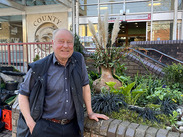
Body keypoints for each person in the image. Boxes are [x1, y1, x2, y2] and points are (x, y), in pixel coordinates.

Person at [17, 29, 109, 137]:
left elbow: (85, 86)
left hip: (71, 127)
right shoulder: (39, 67)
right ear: (53, 43)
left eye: (69, 42)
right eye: (61, 41)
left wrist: (90, 112)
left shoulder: (78, 60)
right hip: (45, 127)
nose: (65, 46)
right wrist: (31, 123)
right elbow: (23, 95)